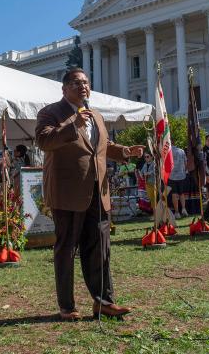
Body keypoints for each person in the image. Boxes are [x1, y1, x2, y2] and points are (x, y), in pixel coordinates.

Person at [35, 68, 144, 321]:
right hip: (67, 192)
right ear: (64, 89)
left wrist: (126, 151)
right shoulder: (51, 112)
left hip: (98, 190)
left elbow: (102, 148)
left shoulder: (95, 115)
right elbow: (44, 141)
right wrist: (74, 123)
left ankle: (103, 302)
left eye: (85, 82)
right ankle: (66, 306)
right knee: (66, 249)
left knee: (99, 248)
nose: (82, 86)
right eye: (76, 82)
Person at [168, 145, 188, 219]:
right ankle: (183, 208)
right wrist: (184, 171)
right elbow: (186, 163)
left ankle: (177, 212)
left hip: (171, 176)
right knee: (181, 193)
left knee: (174, 194)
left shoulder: (167, 151)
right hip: (182, 175)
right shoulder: (182, 151)